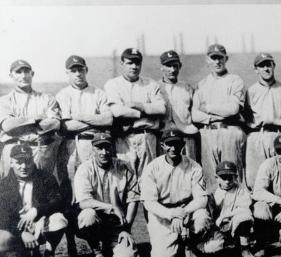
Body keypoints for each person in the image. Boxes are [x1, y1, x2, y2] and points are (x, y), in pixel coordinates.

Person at [141, 129, 223, 257]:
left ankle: (190, 243)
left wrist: (182, 213)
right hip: (163, 213)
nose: (173, 148)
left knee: (202, 217)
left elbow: (202, 199)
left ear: (183, 145)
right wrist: (171, 214)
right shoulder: (152, 168)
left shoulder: (194, 166)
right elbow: (149, 203)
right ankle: (178, 241)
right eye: (169, 144)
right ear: (162, 145)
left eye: (177, 144)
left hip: (187, 210)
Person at [73, 133, 140, 257]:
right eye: (99, 148)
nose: (104, 152)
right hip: (96, 221)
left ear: (113, 148)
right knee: (87, 216)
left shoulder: (124, 166)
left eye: (107, 148)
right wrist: (111, 207)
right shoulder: (84, 169)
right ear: (93, 149)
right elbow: (84, 202)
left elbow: (134, 199)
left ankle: (110, 246)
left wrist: (126, 229)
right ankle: (98, 253)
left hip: (117, 224)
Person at [0, 144, 67, 257]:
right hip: (16, 227)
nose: (24, 167)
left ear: (33, 160)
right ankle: (20, 256)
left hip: (40, 224)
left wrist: (37, 210)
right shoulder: (3, 184)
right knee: (4, 241)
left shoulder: (45, 178)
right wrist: (21, 233)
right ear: (11, 163)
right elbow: (2, 216)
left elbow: (58, 200)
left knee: (59, 219)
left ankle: (49, 252)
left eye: (28, 161)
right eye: (19, 162)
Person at [56, 55, 113, 201]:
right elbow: (67, 126)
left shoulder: (98, 93)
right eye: (73, 70)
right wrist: (95, 121)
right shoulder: (63, 94)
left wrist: (79, 116)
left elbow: (108, 119)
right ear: (67, 73)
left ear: (86, 70)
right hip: (72, 144)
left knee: (95, 182)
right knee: (71, 185)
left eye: (80, 69)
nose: (77, 74)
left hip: (95, 144)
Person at [104, 48, 166, 178]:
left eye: (137, 63)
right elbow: (118, 111)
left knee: (149, 177)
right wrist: (144, 113)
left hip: (147, 136)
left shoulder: (151, 84)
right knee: (125, 176)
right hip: (124, 136)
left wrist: (137, 105)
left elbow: (161, 109)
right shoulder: (113, 84)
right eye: (130, 63)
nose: (134, 66)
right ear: (122, 63)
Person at [192, 44, 246, 192]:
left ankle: (237, 213)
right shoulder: (202, 84)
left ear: (226, 59)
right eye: (213, 58)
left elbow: (233, 109)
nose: (217, 62)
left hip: (229, 131)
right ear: (207, 60)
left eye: (220, 58)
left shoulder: (235, 80)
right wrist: (210, 118)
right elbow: (195, 114)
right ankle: (215, 214)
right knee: (211, 179)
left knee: (232, 177)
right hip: (208, 132)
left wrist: (207, 108)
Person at [0, 60, 61, 177]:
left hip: (40, 149)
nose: (23, 76)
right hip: (13, 150)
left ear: (32, 74)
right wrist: (35, 118)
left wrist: (20, 123)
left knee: (42, 190)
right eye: (18, 72)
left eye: (26, 71)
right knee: (12, 191)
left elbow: (55, 123)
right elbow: (8, 126)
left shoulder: (47, 98)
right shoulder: (4, 101)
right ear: (11, 75)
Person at [245, 53, 281, 189]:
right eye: (261, 66)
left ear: (274, 66)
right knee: (256, 179)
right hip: (258, 135)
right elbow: (246, 116)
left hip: (280, 134)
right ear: (256, 69)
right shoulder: (251, 91)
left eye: (268, 65)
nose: (266, 69)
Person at [158, 50, 199, 161]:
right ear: (162, 67)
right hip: (164, 137)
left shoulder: (187, 88)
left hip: (186, 135)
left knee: (189, 168)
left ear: (179, 66)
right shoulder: (155, 87)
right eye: (168, 66)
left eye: (175, 66)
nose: (172, 70)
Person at [212, 161, 255, 257]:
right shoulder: (214, 191)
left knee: (245, 217)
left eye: (230, 177)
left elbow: (245, 208)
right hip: (219, 227)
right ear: (217, 178)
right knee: (212, 249)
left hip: (235, 223)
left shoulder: (241, 189)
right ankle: (229, 245)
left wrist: (224, 216)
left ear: (235, 177)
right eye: (223, 177)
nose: (227, 181)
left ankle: (245, 248)